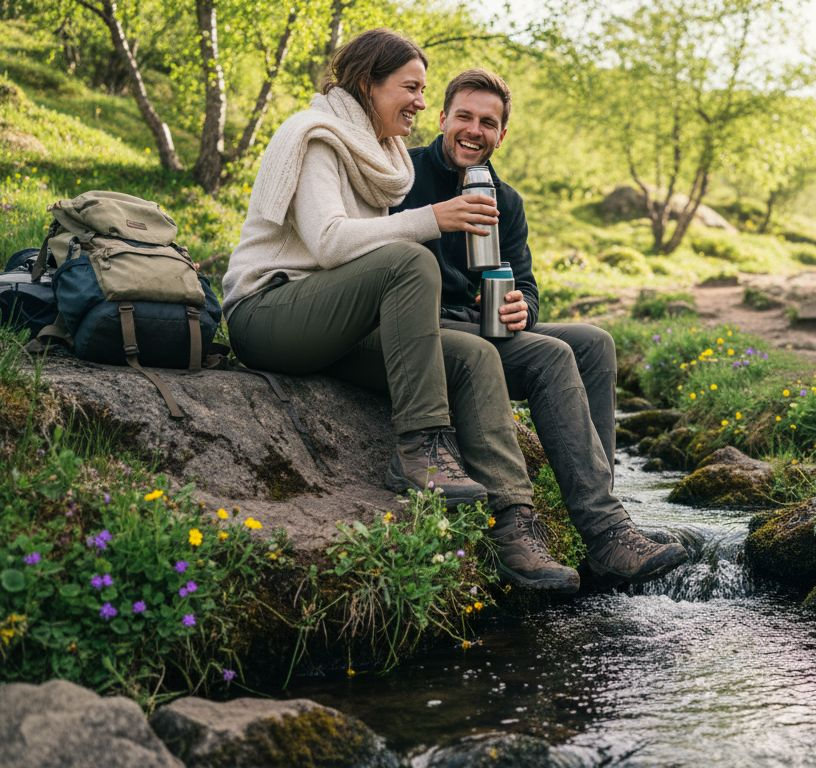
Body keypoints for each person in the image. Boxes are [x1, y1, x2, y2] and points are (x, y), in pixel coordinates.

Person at [222, 30, 584, 592]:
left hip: (336, 326)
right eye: (410, 88)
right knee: (411, 261)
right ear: (369, 84)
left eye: (422, 90)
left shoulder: (382, 156)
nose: (419, 100)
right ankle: (421, 448)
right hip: (270, 311)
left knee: (470, 353)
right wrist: (434, 219)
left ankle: (514, 526)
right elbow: (329, 244)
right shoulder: (317, 138)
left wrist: (518, 306)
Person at [393, 68, 688, 586]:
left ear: (501, 135)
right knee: (552, 356)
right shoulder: (403, 176)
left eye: (488, 122)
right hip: (424, 332)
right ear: (441, 119)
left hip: (485, 328)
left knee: (594, 343)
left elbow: (526, 285)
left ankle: (604, 520)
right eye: (464, 116)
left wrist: (520, 310)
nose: (473, 130)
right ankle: (599, 530)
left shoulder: (507, 201)